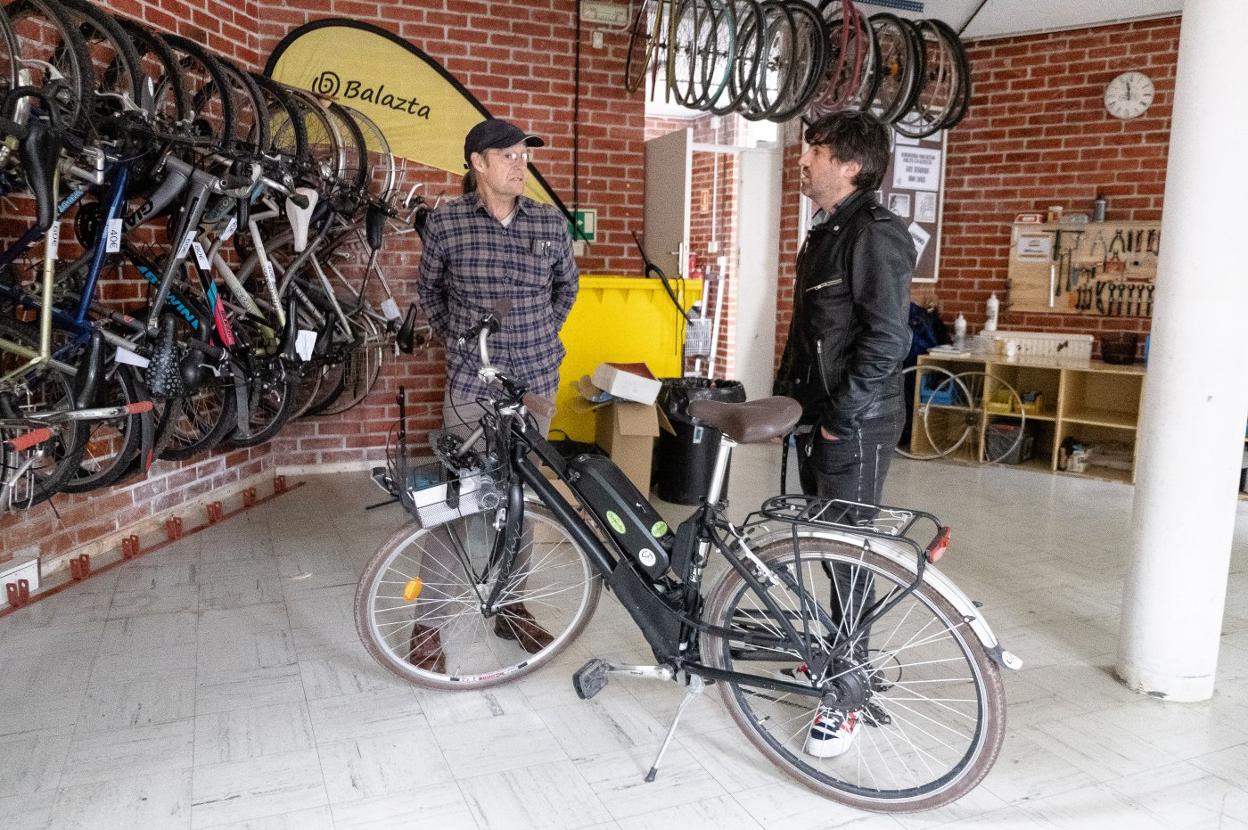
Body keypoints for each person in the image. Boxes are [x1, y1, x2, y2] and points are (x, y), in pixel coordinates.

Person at [412, 118, 579, 673]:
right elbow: (429, 292)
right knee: (453, 501)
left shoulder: (550, 224)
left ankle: (510, 606)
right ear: (478, 163)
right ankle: (428, 622)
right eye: (507, 155)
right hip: (470, 385)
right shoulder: (447, 223)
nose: (520, 163)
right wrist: (461, 343)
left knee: (520, 500)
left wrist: (535, 338)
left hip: (533, 382)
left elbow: (565, 290)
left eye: (523, 155)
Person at [774, 111, 915, 759]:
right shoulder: (825, 232)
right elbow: (810, 336)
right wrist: (787, 411)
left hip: (855, 422)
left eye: (817, 152)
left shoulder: (876, 237)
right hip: (819, 416)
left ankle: (848, 693)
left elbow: (888, 340)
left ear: (851, 166)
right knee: (830, 546)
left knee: (850, 559)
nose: (804, 161)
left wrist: (840, 418)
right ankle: (837, 656)